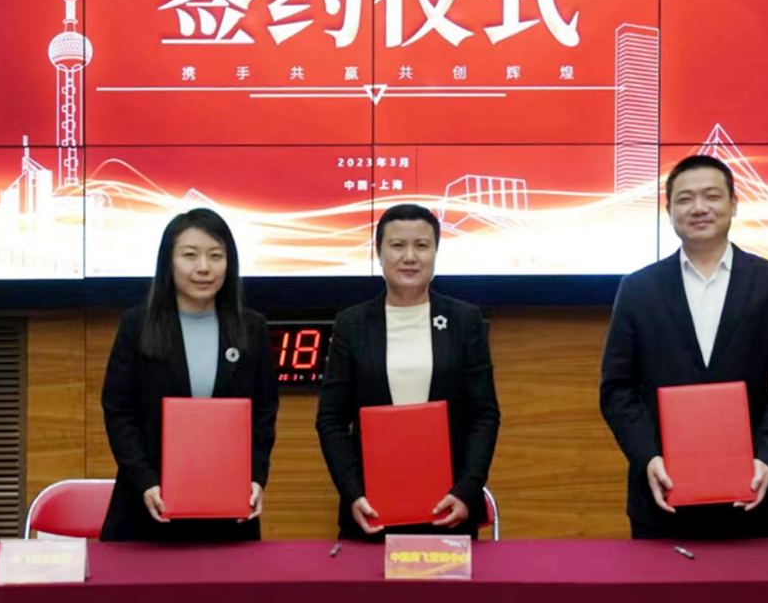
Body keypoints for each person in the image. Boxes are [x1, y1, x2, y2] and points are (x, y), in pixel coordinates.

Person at [600, 155, 768, 539]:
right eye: (685, 199)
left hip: (748, 497)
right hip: (661, 499)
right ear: (669, 210)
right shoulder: (638, 289)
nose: (699, 208)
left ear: (734, 204)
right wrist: (647, 457)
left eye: (712, 196)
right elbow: (617, 389)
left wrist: (767, 457)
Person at [316, 203, 500, 540]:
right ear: (379, 253)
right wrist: (353, 493)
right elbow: (331, 420)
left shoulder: (464, 320)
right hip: (371, 510)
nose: (410, 257)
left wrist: (467, 489)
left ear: (435, 252)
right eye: (397, 245)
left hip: (449, 509)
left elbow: (484, 415)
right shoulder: (352, 324)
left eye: (422, 245)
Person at [100, 208, 278, 542]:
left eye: (216, 256)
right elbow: (119, 411)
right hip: (148, 507)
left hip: (228, 510)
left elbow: (264, 413)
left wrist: (256, 477)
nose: (204, 268)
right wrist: (145, 481)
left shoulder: (251, 328)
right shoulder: (137, 326)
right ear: (169, 262)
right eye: (190, 255)